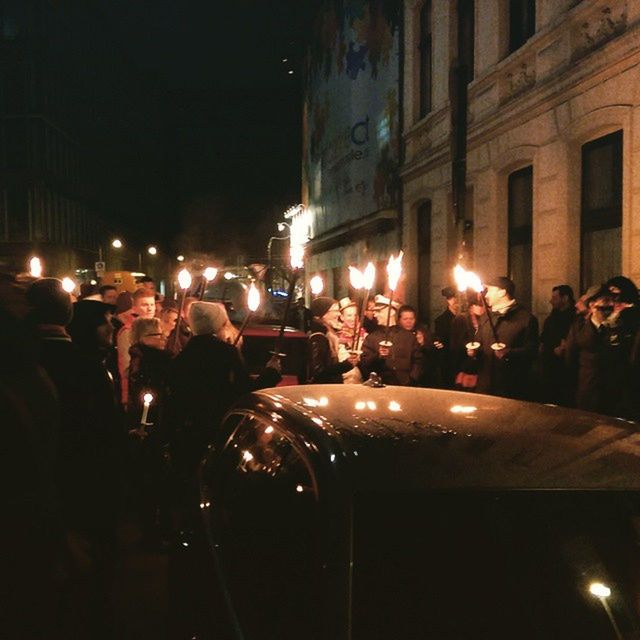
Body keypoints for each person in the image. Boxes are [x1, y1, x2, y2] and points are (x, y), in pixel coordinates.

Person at [169, 302, 282, 476]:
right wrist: (271, 373)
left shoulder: (182, 357)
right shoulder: (226, 353)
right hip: (220, 429)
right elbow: (245, 393)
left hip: (188, 433)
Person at [127, 317, 173, 548]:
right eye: (157, 335)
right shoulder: (150, 361)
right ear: (143, 338)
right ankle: (153, 531)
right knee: (152, 481)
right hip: (151, 429)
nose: (163, 338)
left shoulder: (142, 358)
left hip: (147, 426)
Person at [566, 280, 640, 418]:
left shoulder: (621, 327)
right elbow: (570, 358)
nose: (610, 305)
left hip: (614, 392)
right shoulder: (579, 327)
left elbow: (629, 358)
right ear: (592, 305)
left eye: (611, 301)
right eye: (604, 302)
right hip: (588, 390)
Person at [475, 277, 539, 399]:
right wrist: (474, 351)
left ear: (502, 292)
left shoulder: (526, 319)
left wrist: (508, 353)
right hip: (485, 387)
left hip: (510, 388)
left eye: (489, 290)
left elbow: (532, 351)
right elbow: (479, 342)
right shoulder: (485, 317)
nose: (486, 295)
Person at [360, 295, 423, 386]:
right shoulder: (372, 338)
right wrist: (378, 356)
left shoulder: (408, 337)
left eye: (379, 311)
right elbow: (365, 363)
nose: (375, 314)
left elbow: (418, 360)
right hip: (382, 387)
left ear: (391, 312)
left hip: (406, 387)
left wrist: (411, 380)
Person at [117, 287, 155, 405]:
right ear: (134, 308)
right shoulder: (128, 331)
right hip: (135, 390)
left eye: (152, 304)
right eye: (144, 305)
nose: (149, 308)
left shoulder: (157, 328)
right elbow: (126, 366)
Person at [307, 297, 359, 383]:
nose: (339, 314)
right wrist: (346, 365)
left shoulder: (329, 335)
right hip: (322, 392)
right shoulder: (318, 338)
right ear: (322, 314)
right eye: (335, 311)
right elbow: (319, 373)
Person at [539, 285, 576, 405]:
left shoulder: (574, 318)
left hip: (566, 369)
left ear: (565, 298)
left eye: (555, 298)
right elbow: (544, 338)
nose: (551, 301)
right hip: (549, 365)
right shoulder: (551, 318)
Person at [449, 291, 485, 392]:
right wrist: (467, 348)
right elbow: (454, 345)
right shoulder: (461, 319)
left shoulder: (486, 319)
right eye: (478, 305)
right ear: (471, 306)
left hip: (482, 366)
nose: (482, 309)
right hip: (465, 366)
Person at [397, 304, 437, 387]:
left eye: (411, 319)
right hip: (401, 378)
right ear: (399, 320)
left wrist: (422, 344)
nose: (409, 322)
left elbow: (430, 357)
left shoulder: (422, 332)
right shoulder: (395, 335)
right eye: (405, 319)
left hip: (421, 379)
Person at [433, 286, 459, 388]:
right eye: (451, 298)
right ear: (447, 300)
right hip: (449, 362)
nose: (455, 300)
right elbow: (439, 340)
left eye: (456, 297)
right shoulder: (441, 320)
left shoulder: (468, 318)